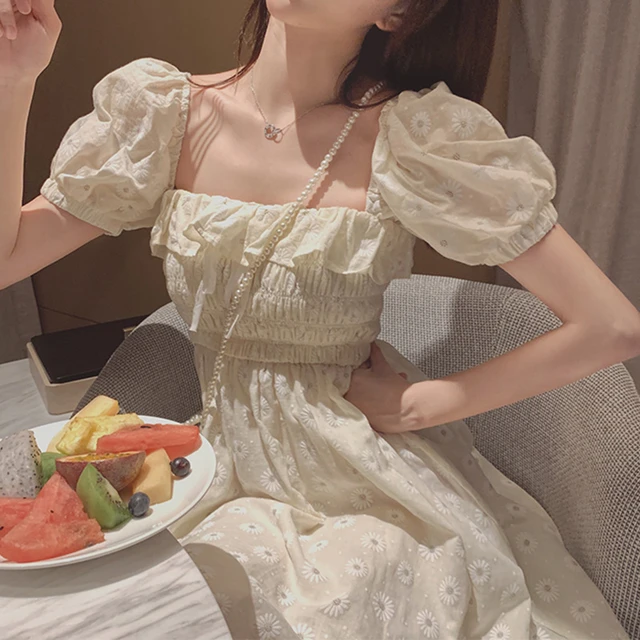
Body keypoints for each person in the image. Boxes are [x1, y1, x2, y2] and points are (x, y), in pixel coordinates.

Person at [1, 0, 638, 637]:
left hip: (355, 478)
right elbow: (9, 258)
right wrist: (15, 78)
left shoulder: (416, 138)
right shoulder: (165, 113)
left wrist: (424, 404)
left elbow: (611, 325)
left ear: (397, 14)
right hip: (206, 460)